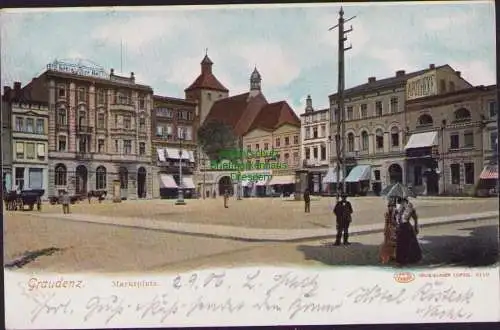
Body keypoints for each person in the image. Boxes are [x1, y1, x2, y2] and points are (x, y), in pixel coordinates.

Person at [395, 197, 422, 265]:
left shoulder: (410, 208)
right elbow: (396, 219)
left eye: (404, 202)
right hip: (401, 227)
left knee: (409, 243)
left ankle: (412, 259)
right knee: (400, 244)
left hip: (407, 227)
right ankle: (401, 260)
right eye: (401, 202)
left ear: (406, 201)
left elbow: (415, 218)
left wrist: (416, 226)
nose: (402, 203)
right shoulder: (398, 208)